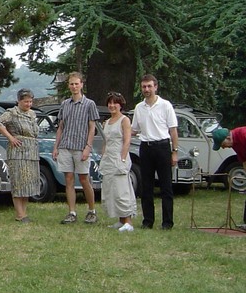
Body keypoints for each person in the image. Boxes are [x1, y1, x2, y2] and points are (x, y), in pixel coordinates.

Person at [130, 74, 179, 229]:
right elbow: (134, 130)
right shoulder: (139, 107)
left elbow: (173, 130)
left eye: (149, 86)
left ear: (155, 87)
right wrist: (117, 128)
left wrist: (174, 152)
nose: (147, 89)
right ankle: (148, 221)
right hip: (146, 148)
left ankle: (167, 222)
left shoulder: (165, 105)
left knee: (166, 187)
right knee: (146, 187)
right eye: (144, 87)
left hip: (162, 147)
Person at [52, 72, 100, 224]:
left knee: (84, 178)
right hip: (66, 146)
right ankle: (72, 212)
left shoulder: (89, 104)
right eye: (71, 84)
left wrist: (88, 147)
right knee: (69, 179)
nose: (74, 86)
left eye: (76, 83)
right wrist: (56, 147)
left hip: (81, 146)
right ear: (69, 86)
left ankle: (91, 211)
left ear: (81, 84)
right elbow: (61, 127)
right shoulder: (65, 104)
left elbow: (92, 127)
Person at [0, 88, 40, 223]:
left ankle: (23, 213)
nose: (28, 104)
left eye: (30, 101)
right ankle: (19, 214)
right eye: (26, 101)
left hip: (31, 152)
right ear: (19, 101)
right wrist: (10, 137)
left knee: (28, 183)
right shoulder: (12, 113)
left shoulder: (32, 114)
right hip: (18, 152)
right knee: (19, 182)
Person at [99, 92, 137, 232]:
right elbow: (105, 141)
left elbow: (127, 140)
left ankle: (128, 221)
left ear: (120, 105)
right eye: (110, 103)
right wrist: (102, 156)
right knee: (111, 190)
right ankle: (120, 220)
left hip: (119, 157)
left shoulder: (124, 120)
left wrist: (122, 158)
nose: (112, 105)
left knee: (122, 190)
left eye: (115, 103)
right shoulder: (107, 122)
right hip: (108, 158)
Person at [211, 127, 246, 231]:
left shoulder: (243, 134)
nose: (223, 148)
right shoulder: (235, 144)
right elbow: (244, 161)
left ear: (227, 138)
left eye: (222, 144)